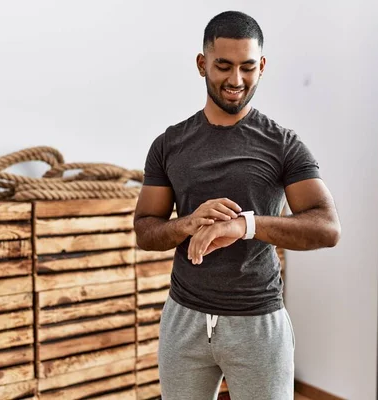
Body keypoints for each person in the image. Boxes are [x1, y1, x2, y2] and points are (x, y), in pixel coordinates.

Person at [133, 10, 341, 400]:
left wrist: (244, 225)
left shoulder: (282, 144)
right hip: (184, 319)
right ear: (202, 64)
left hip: (258, 322)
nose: (236, 80)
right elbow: (145, 229)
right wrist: (187, 224)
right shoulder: (168, 145)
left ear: (261, 66)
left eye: (247, 67)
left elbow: (327, 228)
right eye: (223, 66)